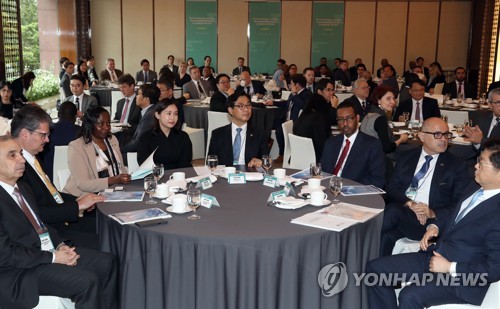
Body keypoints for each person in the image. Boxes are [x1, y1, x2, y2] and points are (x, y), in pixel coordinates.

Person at [367, 138, 500, 308]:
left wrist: (450, 267)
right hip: (435, 256)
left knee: (410, 296)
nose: (475, 166)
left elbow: (494, 268)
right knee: (375, 270)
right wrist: (434, 226)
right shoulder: (475, 188)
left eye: (481, 164)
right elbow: (455, 214)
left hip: (462, 279)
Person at [0, 135, 118, 309]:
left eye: (20, 153)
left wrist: (60, 245)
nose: (21, 159)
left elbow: (40, 224)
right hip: (18, 272)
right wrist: (54, 257)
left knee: (108, 263)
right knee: (87, 281)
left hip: (43, 253)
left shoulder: (22, 188)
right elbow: (6, 254)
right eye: (12, 155)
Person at [12, 105, 105, 250]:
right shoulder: (16, 168)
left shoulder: (33, 158)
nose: (48, 140)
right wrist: (77, 206)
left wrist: (79, 200)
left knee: (108, 227)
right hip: (49, 233)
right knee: (106, 240)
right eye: (43, 135)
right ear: (25, 134)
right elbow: (36, 213)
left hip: (60, 221)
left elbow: (51, 195)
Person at [380, 117, 470, 256]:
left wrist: (431, 212)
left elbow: (460, 204)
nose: (443, 139)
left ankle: (358, 234)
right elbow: (391, 189)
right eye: (437, 134)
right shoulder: (407, 157)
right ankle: (374, 275)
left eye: (446, 134)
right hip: (406, 212)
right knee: (386, 238)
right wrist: (410, 203)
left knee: (393, 210)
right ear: (422, 136)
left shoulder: (456, 166)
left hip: (430, 223)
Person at [64, 106, 130, 197]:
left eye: (108, 123)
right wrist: (113, 180)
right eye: (100, 124)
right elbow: (83, 184)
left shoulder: (112, 139)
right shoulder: (77, 147)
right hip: (83, 198)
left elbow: (121, 168)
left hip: (113, 192)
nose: (106, 128)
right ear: (90, 124)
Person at [321, 101, 386, 189]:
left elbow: (378, 180)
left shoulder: (372, 145)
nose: (345, 123)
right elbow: (323, 172)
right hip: (328, 191)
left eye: (349, 118)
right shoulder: (331, 143)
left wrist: (347, 185)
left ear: (357, 118)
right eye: (340, 119)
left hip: (353, 192)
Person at [208, 93, 269, 168]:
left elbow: (265, 159)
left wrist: (260, 161)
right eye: (241, 106)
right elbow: (211, 161)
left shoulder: (260, 134)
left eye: (248, 105)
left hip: (249, 175)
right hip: (225, 174)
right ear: (231, 110)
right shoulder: (217, 134)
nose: (246, 109)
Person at [137, 99, 193, 169]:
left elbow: (186, 164)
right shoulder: (146, 138)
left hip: (179, 176)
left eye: (175, 114)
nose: (172, 118)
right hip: (156, 177)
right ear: (157, 115)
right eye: (169, 113)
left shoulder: (183, 136)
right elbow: (144, 166)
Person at [293, 79, 336, 161]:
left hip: (301, 149)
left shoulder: (315, 101)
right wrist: (333, 107)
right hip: (313, 150)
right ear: (320, 92)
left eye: (332, 90)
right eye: (328, 90)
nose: (331, 93)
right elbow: (328, 120)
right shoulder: (319, 104)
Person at [360, 85, 409, 155]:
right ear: (378, 100)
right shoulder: (380, 119)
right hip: (379, 157)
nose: (393, 102)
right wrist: (401, 139)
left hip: (367, 153)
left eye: (393, 98)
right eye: (388, 99)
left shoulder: (369, 115)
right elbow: (387, 148)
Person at [41, 101, 79, 181]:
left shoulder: (47, 134)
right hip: (77, 177)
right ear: (75, 117)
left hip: (50, 178)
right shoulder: (81, 132)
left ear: (58, 115)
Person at [121, 84, 160, 152]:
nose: (136, 96)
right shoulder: (149, 111)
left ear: (146, 99)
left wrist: (121, 150)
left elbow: (139, 142)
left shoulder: (150, 115)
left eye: (138, 94)